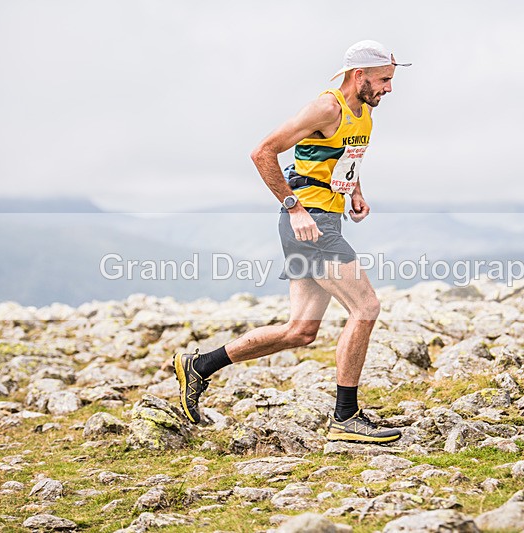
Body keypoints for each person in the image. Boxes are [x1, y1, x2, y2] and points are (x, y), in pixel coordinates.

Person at [174, 40, 411, 444]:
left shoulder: (364, 112)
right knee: (366, 307)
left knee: (300, 330)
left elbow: (345, 158)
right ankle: (346, 417)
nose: (389, 88)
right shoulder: (327, 108)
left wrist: (355, 191)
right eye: (384, 80)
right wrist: (294, 207)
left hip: (327, 219)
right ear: (359, 76)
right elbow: (262, 152)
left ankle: (200, 366)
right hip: (310, 225)